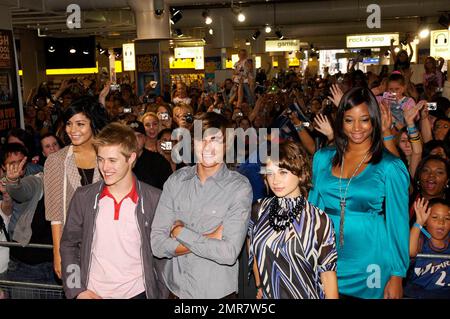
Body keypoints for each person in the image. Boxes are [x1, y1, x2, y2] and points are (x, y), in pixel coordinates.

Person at [309, 87, 410, 299]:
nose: (356, 128)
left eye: (364, 119)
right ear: (340, 121)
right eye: (348, 120)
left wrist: (397, 275)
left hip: (370, 260)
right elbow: (312, 211)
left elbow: (398, 222)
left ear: (374, 120)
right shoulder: (322, 158)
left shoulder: (390, 166)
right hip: (325, 258)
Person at [151, 112, 253, 299]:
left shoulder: (239, 187)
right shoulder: (176, 181)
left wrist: (180, 232)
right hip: (175, 292)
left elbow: (228, 253)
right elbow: (157, 245)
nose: (207, 147)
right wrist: (209, 237)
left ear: (227, 145)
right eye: (201, 139)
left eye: (215, 140)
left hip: (218, 294)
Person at [60, 122, 166, 299]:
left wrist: (161, 293)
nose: (105, 168)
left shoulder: (154, 199)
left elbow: (163, 255)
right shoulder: (84, 197)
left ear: (131, 158)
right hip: (92, 293)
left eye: (112, 160)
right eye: (100, 159)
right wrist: (77, 291)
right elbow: (69, 245)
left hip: (138, 293)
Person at [249, 141, 338, 299]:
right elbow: (253, 250)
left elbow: (328, 275)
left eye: (283, 172)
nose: (275, 180)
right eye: (270, 173)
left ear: (301, 174)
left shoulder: (318, 220)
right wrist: (260, 284)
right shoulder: (258, 209)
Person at [44, 96, 108, 279]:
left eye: (80, 124)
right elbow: (55, 215)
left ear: (93, 123)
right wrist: (58, 254)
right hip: (73, 248)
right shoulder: (57, 161)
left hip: (107, 244)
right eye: (69, 124)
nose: (73, 130)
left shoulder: (109, 157)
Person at [2, 148, 56, 298]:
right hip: (25, 267)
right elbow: (21, 190)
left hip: (54, 267)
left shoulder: (71, 188)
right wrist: (12, 181)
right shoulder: (38, 180)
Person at [404, 197, 450, 298]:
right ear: (425, 221)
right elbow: (410, 252)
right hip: (419, 294)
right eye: (434, 217)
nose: (441, 222)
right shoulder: (420, 238)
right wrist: (418, 222)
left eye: (447, 218)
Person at [126, 120, 173, 190]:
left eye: (139, 136)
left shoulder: (159, 162)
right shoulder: (118, 160)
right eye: (131, 136)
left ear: (145, 139)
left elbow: (169, 190)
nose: (135, 139)